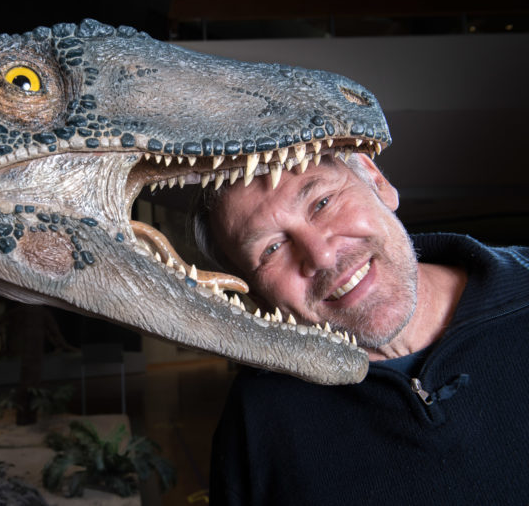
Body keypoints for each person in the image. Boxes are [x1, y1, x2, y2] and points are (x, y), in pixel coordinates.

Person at [192, 153, 529, 504]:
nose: (321, 256)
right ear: (256, 294)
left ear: (377, 181)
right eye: (272, 248)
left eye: (322, 202)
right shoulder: (256, 417)